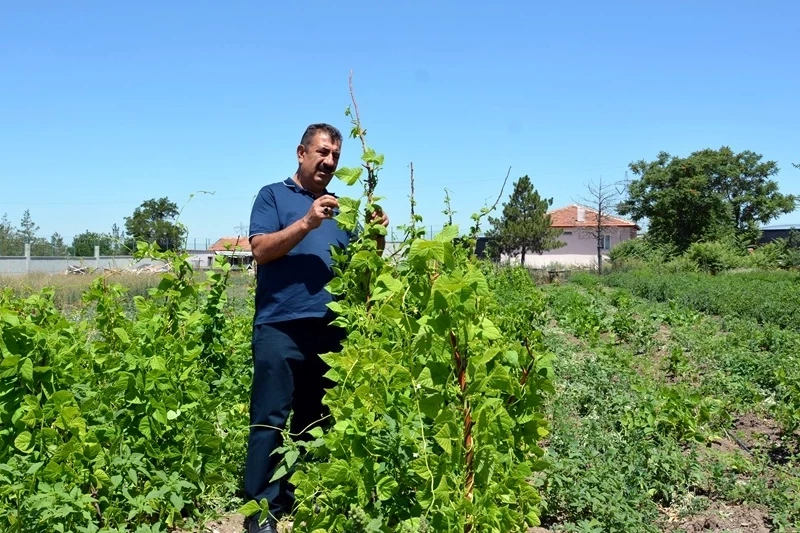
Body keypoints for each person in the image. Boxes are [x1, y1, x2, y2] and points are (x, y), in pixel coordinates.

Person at [244, 123, 388, 533]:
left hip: (329, 328)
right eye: (322, 152)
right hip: (279, 326)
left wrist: (376, 237)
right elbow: (260, 250)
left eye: (335, 157)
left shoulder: (339, 208)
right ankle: (260, 511)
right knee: (270, 418)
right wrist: (306, 222)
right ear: (301, 152)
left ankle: (299, 496)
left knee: (315, 420)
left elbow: (362, 265)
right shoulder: (272, 196)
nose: (328, 162)